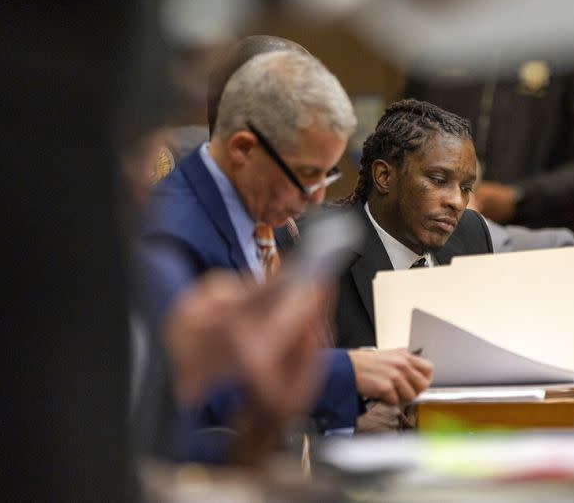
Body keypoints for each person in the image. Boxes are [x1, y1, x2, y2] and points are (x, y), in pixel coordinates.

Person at [140, 49, 431, 449]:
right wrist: (345, 372)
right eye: (307, 174)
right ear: (244, 149)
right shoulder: (172, 238)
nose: (314, 200)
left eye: (327, 174)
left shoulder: (266, 214)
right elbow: (186, 398)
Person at [403, 48, 574, 243]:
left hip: (548, 250)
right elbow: (403, 139)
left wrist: (519, 197)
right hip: (443, 247)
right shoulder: (440, 41)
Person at [334, 99, 494, 350]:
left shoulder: (472, 233)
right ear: (384, 176)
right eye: (439, 180)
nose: (458, 202)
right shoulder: (327, 250)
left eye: (465, 188)